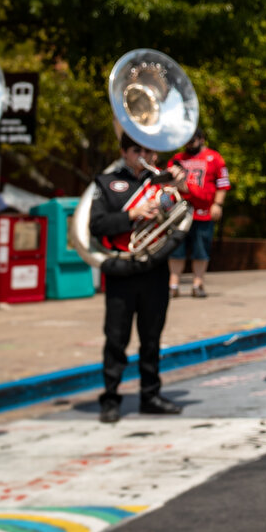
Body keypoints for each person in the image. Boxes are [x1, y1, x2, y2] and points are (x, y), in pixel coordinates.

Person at [85, 135, 189, 424]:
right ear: (124, 152)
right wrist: (132, 214)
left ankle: (151, 394)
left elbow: (182, 212)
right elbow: (96, 224)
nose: (144, 155)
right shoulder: (107, 183)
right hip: (122, 267)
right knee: (116, 338)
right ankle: (110, 397)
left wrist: (179, 185)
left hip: (154, 267)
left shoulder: (163, 181)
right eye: (136, 150)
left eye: (148, 150)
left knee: (152, 336)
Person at [168, 132, 229, 298]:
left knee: (201, 250)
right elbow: (167, 183)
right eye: (186, 140)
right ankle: (173, 285)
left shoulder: (214, 158)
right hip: (180, 212)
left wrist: (218, 204)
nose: (189, 144)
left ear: (201, 139)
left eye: (192, 140)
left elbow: (223, 184)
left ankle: (198, 284)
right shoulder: (177, 158)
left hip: (204, 212)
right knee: (176, 251)